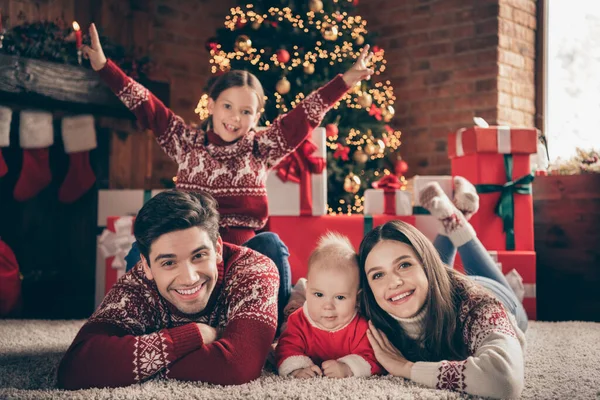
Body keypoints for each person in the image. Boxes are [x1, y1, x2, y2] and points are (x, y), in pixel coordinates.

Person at [82, 23, 374, 318]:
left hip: (242, 262)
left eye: (246, 111)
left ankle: (277, 326)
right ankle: (138, 318)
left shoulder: (262, 147)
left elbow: (305, 115)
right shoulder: (186, 142)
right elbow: (147, 106)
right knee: (140, 249)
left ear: (257, 116)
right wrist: (104, 67)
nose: (235, 118)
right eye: (227, 106)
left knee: (272, 243)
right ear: (211, 105)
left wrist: (346, 80)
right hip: (191, 257)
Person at [57, 190, 280, 389]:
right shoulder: (137, 284)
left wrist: (129, 365)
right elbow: (75, 369)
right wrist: (193, 335)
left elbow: (238, 367)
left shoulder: (253, 270)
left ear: (218, 248)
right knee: (135, 253)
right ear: (147, 266)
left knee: (270, 245)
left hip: (258, 280)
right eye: (169, 262)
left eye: (199, 255)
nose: (189, 278)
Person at [358, 179, 527, 399]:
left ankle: (456, 222)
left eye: (404, 265)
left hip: (493, 293)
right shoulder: (367, 306)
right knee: (423, 276)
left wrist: (407, 368)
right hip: (439, 282)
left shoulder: (478, 307)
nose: (393, 282)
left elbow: (505, 382)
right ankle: (454, 217)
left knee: (519, 314)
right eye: (378, 275)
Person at [275, 233, 382, 379]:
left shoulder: (361, 327)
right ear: (309, 291)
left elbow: (373, 357)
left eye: (339, 297)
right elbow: (286, 348)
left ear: (357, 298)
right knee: (289, 313)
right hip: (298, 304)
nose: (328, 306)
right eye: (318, 294)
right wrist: (298, 368)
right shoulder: (298, 321)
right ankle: (299, 289)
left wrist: (347, 368)